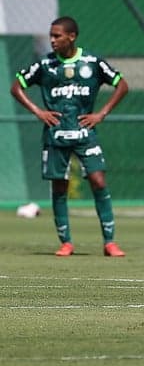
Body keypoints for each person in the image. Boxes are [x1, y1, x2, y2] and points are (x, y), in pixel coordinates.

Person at [11, 16, 129, 257]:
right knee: (59, 186)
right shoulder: (45, 65)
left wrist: (101, 114)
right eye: (51, 35)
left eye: (57, 36)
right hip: (56, 134)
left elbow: (122, 84)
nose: (52, 40)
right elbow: (16, 87)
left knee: (98, 181)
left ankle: (109, 242)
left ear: (71, 37)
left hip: (86, 133)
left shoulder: (92, 61)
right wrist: (38, 111)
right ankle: (66, 242)